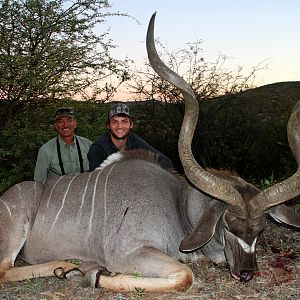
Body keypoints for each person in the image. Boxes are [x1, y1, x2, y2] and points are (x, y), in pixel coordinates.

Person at [88, 103, 174, 171]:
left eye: (124, 122)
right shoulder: (97, 149)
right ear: (108, 125)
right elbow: (96, 181)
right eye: (114, 122)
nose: (119, 126)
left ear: (131, 124)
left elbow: (166, 162)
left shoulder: (134, 140)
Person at [34, 107, 92, 182]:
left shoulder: (89, 145)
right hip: (57, 192)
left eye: (69, 120)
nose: (65, 125)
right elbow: (38, 182)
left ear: (75, 124)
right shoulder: (45, 150)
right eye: (60, 121)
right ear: (56, 126)